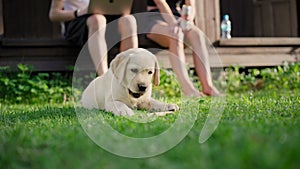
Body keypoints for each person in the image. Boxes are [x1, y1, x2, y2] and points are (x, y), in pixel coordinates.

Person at [145, 0, 222, 96]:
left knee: (197, 34)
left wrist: (189, 19)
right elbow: (160, 2)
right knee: (176, 35)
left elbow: (190, 4)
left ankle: (208, 87)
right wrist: (173, 23)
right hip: (156, 17)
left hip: (178, 16)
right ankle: (188, 89)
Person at [49, 0, 138, 76]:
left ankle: (129, 75)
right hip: (77, 22)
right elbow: (53, 14)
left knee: (129, 20)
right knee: (97, 19)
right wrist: (78, 12)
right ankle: (105, 78)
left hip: (107, 21)